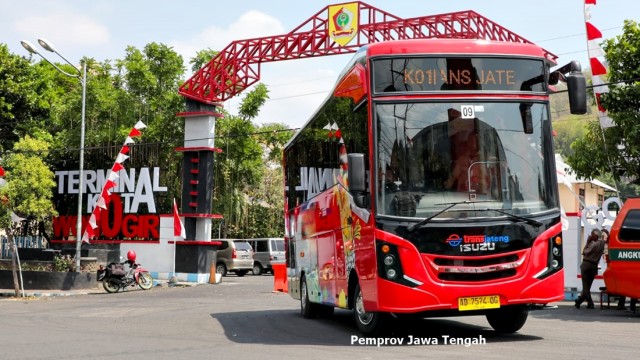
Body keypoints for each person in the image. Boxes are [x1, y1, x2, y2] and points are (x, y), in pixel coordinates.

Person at [575, 229, 606, 309]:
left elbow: (584, 252)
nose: (591, 236)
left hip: (587, 264)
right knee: (588, 286)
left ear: (595, 236)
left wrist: (587, 242)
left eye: (592, 235)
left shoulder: (594, 244)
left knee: (585, 286)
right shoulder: (602, 243)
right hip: (594, 266)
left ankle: (590, 303)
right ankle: (579, 301)